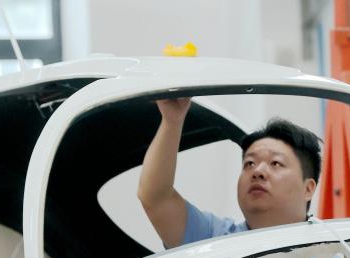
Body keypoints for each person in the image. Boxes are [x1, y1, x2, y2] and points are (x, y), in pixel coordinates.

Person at [137, 97, 322, 248]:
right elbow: (155, 198)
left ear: (308, 188)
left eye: (275, 163)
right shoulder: (212, 239)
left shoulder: (331, 247)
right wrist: (172, 121)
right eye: (249, 163)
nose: (258, 171)